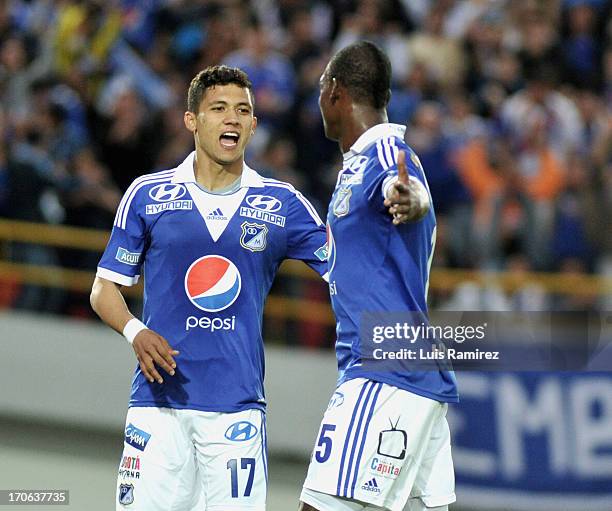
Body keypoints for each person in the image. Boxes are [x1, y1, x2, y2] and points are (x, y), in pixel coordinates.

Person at [89, 65, 331, 511]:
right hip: (157, 407)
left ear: (254, 125)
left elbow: (348, 268)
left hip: (236, 410)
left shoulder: (282, 204)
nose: (232, 119)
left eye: (243, 111)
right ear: (191, 120)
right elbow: (103, 290)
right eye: (218, 108)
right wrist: (135, 332)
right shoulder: (148, 194)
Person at [299, 42, 459, 511]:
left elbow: (404, 188)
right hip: (407, 372)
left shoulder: (386, 152)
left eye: (321, 88)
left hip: (383, 370)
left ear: (335, 92)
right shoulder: (354, 166)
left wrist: (412, 199)